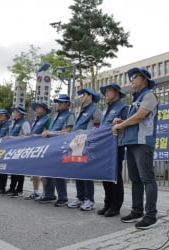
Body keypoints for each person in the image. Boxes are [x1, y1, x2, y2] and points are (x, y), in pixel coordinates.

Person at [111, 67, 159, 230]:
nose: (131, 80)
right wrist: (120, 122)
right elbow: (131, 121)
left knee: (147, 178)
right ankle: (137, 211)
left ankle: (151, 215)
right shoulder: (135, 99)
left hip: (143, 143)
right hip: (131, 142)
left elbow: (140, 116)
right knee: (135, 179)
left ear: (144, 79)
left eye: (134, 77)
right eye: (131, 78)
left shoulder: (149, 95)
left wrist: (122, 123)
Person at [96, 83, 128, 217]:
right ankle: (107, 203)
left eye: (109, 91)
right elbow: (104, 126)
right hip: (105, 146)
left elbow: (125, 126)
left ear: (116, 93)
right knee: (105, 175)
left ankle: (115, 206)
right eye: (106, 91)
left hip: (116, 145)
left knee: (115, 176)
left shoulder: (123, 107)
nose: (106, 93)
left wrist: (119, 124)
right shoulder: (105, 109)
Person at [67, 88, 101, 211]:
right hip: (77, 145)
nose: (81, 97)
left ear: (90, 96)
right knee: (78, 172)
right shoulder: (81, 111)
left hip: (87, 145)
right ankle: (80, 198)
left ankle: (89, 200)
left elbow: (99, 127)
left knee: (87, 172)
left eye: (83, 95)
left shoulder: (95, 110)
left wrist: (87, 132)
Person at [42, 94, 75, 207]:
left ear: (67, 104)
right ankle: (49, 194)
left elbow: (69, 130)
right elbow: (51, 130)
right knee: (48, 170)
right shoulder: (55, 115)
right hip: (51, 145)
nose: (59, 104)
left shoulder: (70, 115)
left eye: (61, 102)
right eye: (58, 102)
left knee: (58, 171)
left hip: (61, 146)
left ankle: (63, 197)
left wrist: (51, 133)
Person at [20, 101, 51, 199]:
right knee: (35, 172)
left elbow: (50, 133)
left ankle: (45, 193)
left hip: (43, 148)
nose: (36, 109)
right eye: (36, 108)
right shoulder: (34, 121)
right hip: (33, 148)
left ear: (44, 109)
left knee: (43, 172)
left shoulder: (48, 119)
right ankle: (35, 191)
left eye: (39, 107)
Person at [7, 106, 31, 197]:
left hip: (21, 148)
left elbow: (27, 135)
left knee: (20, 170)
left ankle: (19, 189)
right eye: (14, 111)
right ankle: (12, 187)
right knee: (13, 169)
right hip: (12, 148)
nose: (14, 113)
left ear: (20, 113)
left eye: (15, 111)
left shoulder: (25, 123)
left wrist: (13, 138)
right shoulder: (13, 123)